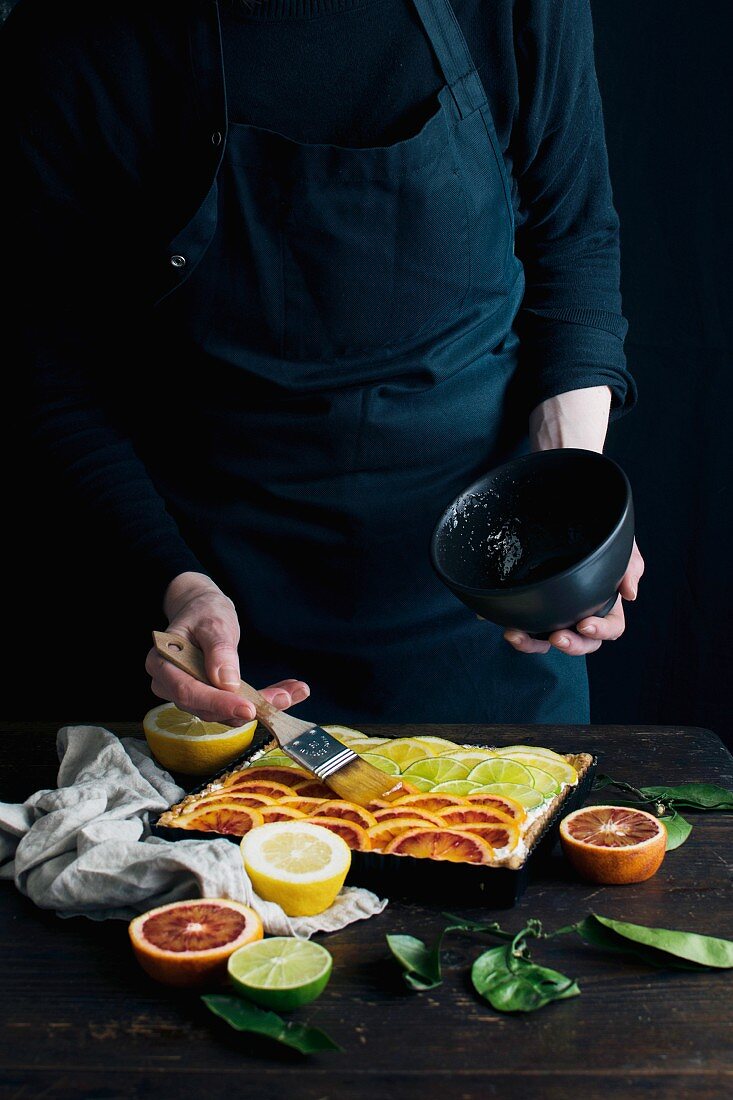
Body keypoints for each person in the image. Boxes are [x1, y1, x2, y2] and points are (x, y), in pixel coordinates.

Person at [3, 0, 644, 728]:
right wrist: (175, 585)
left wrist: (569, 503)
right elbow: (53, 380)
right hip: (221, 620)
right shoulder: (75, 39)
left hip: (489, 595)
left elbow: (572, 240)